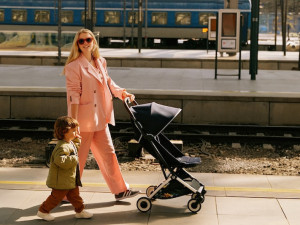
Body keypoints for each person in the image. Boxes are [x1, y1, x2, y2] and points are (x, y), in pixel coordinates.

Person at [63, 28, 140, 201]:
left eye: (88, 40)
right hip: (83, 121)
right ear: (77, 44)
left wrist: (122, 94)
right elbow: (73, 96)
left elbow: (108, 82)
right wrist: (72, 124)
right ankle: (66, 193)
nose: (85, 44)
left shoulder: (100, 62)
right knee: (77, 159)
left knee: (109, 154)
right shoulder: (73, 67)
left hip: (100, 118)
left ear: (93, 42)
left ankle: (120, 190)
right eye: (81, 41)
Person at [37, 116, 93, 221]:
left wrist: (76, 141)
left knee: (75, 196)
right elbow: (60, 160)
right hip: (61, 181)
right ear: (64, 131)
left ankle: (80, 211)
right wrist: (74, 158)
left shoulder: (69, 143)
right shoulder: (62, 146)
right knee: (55, 198)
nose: (76, 133)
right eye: (74, 131)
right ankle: (43, 211)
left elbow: (73, 149)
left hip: (69, 179)